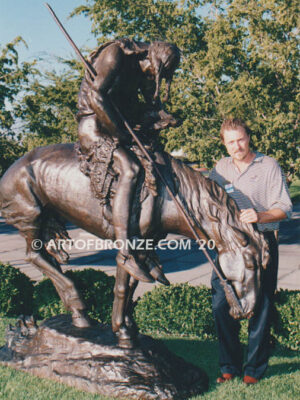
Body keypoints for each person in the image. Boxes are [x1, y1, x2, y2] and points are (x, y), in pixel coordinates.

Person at [76, 38, 180, 283]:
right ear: (149, 59)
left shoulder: (143, 70)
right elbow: (96, 97)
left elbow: (137, 107)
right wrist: (121, 135)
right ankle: (125, 251)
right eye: (155, 71)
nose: (152, 77)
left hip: (120, 126)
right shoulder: (116, 55)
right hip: (95, 126)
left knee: (157, 163)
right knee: (131, 169)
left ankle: (145, 247)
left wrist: (157, 116)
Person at [209, 118, 292, 385]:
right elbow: (209, 200)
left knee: (261, 305)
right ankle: (228, 365)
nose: (237, 145)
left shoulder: (268, 166)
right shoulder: (221, 168)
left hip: (261, 242)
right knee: (222, 304)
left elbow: (284, 207)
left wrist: (259, 215)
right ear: (224, 143)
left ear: (248, 137)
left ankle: (253, 370)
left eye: (241, 139)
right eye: (231, 141)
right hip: (227, 245)